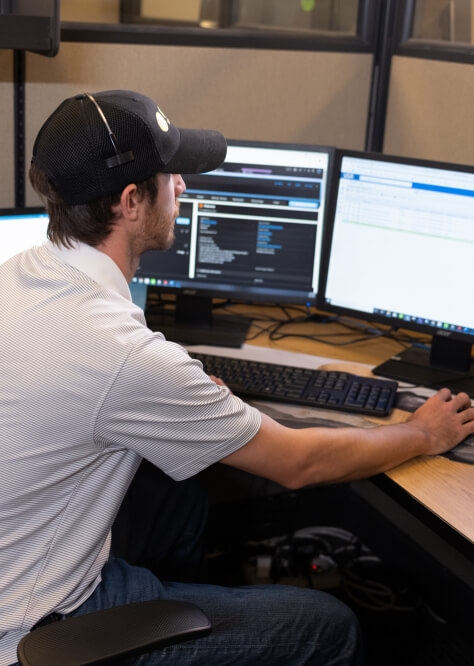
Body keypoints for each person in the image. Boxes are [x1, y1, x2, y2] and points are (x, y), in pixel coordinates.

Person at [1, 90, 473, 666]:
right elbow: (299, 464)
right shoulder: (121, 352)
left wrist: (185, 397)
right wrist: (425, 435)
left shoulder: (22, 273)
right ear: (130, 201)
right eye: (172, 176)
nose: (183, 188)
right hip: (39, 622)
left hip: (23, 561)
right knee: (329, 625)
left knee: (180, 501)